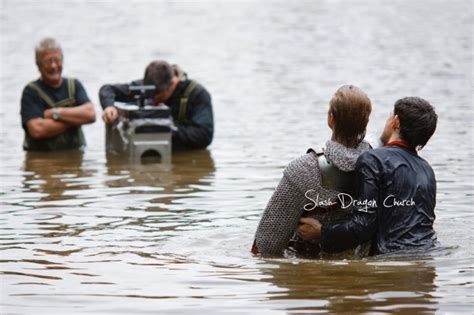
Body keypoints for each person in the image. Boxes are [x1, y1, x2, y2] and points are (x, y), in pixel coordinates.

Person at [298, 97, 438, 256]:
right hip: (429, 252)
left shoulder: (373, 160)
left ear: (396, 122)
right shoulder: (427, 170)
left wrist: (322, 233)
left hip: (392, 258)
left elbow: (362, 226)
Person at [252, 85, 372, 257]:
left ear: (331, 119)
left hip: (313, 275)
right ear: (366, 123)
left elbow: (266, 244)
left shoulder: (303, 170)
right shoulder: (381, 166)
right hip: (362, 275)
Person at [99, 60, 213, 150]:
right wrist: (109, 106)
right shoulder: (146, 88)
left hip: (184, 155)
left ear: (173, 83)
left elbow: (204, 136)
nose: (153, 98)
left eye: (157, 94)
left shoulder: (197, 94)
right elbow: (107, 89)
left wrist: (163, 129)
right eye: (150, 94)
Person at [20, 38, 96, 151]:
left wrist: (55, 113)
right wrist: (75, 119)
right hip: (43, 162)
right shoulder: (31, 92)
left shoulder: (74, 85)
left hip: (75, 158)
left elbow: (90, 114)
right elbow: (37, 130)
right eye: (48, 61)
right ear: (38, 65)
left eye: (57, 60)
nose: (53, 66)